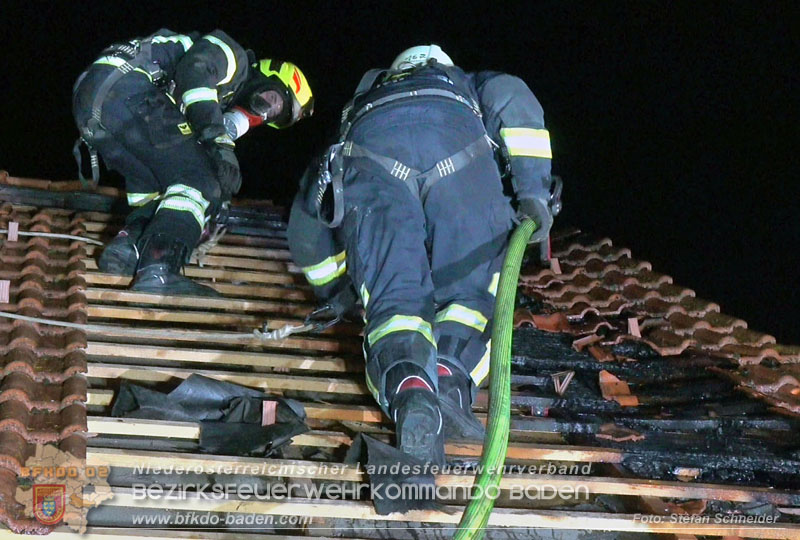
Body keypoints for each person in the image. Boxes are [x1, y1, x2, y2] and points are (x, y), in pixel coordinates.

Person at [287, 45, 559, 465]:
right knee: (470, 295)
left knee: (394, 301)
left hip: (369, 153)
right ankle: (449, 378)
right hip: (458, 143)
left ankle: (411, 389)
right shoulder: (466, 84)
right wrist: (533, 192)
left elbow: (305, 229)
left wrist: (337, 290)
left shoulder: (355, 114)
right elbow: (513, 97)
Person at [73, 29, 313, 296]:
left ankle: (128, 249)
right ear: (267, 76)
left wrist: (208, 207)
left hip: (95, 103)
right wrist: (218, 141)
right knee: (201, 179)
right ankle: (160, 269)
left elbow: (175, 146)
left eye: (274, 114)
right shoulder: (233, 56)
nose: (266, 110)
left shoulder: (212, 99)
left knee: (160, 186)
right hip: (129, 87)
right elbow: (195, 72)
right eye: (274, 99)